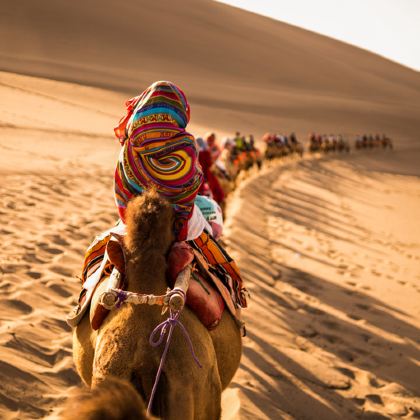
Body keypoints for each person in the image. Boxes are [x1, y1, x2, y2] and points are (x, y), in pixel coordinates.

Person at [69, 81, 247, 327]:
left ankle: (85, 299)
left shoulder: (129, 147)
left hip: (134, 219)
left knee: (95, 254)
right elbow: (193, 183)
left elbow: (120, 188)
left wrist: (135, 207)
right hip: (179, 224)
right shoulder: (185, 145)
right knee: (217, 256)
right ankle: (230, 292)